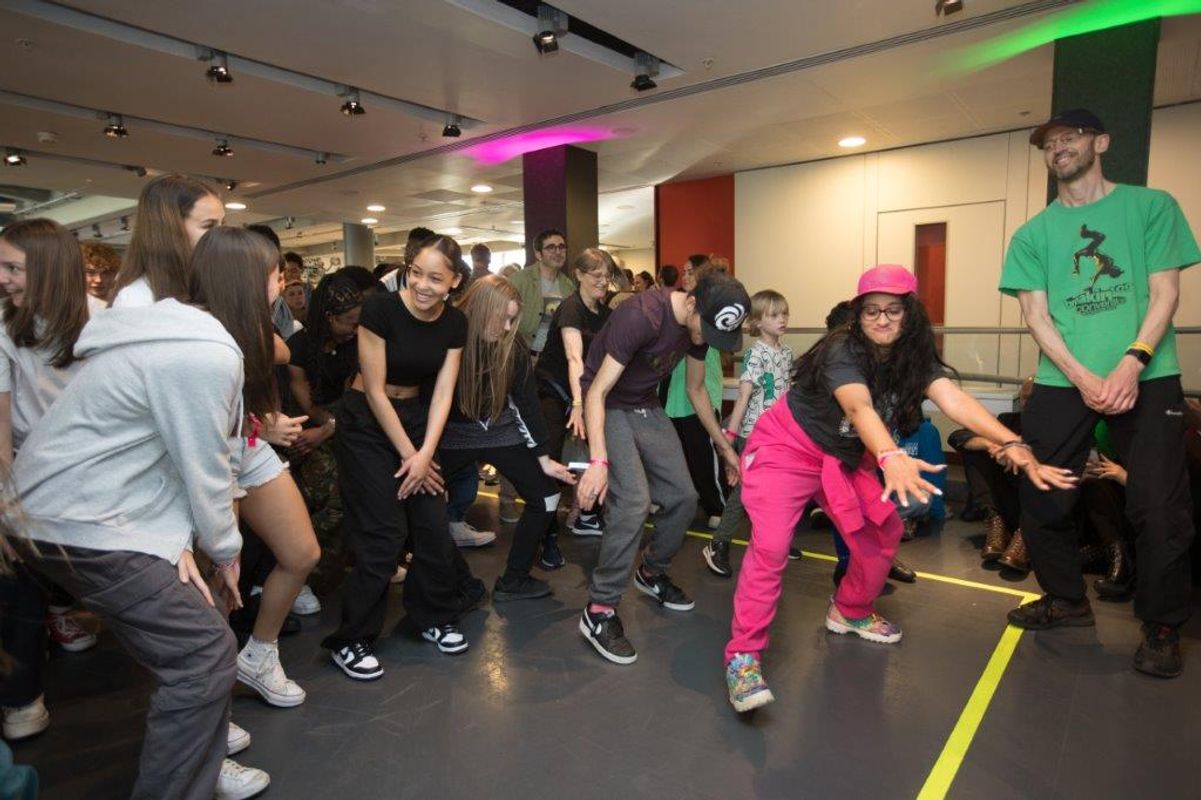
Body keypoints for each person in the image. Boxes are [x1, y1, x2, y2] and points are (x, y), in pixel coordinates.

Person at [724, 264, 1075, 712]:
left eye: (893, 310)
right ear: (858, 315)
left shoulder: (914, 356)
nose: (882, 319)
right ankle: (743, 656)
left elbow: (954, 400)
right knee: (771, 546)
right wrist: (890, 456)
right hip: (787, 449)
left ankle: (849, 609)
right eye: (872, 311)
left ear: (910, 313)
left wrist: (1012, 442)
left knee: (884, 529)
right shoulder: (842, 349)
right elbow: (858, 404)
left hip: (844, 456)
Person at [10, 225, 282, 800]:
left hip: (67, 513)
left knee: (190, 649)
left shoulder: (174, 333)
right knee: (204, 654)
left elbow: (153, 452)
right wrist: (226, 552)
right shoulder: (201, 352)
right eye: (276, 273)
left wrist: (176, 539)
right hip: (77, 521)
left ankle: (200, 761)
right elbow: (203, 464)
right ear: (252, 284)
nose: (282, 285)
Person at [1000, 108, 1201, 678]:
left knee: (1159, 507)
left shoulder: (1151, 206)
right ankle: (1065, 599)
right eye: (1049, 143)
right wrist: (1085, 377)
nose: (1058, 148)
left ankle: (1161, 625)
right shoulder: (1033, 234)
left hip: (1147, 373)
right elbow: (1036, 316)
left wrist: (1131, 363)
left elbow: (1165, 295)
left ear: (1101, 142)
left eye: (1070, 137)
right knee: (1041, 494)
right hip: (1067, 380)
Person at [322, 235, 485, 678]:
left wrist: (425, 453)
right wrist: (412, 454)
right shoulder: (381, 309)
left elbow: (444, 393)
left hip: (415, 421)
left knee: (433, 524)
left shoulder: (455, 323)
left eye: (435, 278)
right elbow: (374, 390)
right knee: (384, 533)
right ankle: (351, 638)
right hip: (367, 423)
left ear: (454, 282)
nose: (423, 285)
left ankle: (432, 617)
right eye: (416, 273)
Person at [575, 271, 751, 664]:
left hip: (644, 406)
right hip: (609, 404)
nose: (704, 339)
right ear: (691, 303)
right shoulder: (642, 316)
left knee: (684, 497)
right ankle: (599, 610)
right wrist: (599, 461)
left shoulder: (698, 329)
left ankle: (651, 572)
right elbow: (598, 391)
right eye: (705, 329)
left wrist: (725, 448)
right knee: (634, 502)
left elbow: (695, 388)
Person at [0, 219, 105, 744]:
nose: (3, 278)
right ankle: (22, 695)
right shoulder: (3, 327)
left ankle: (62, 607)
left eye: (13, 267)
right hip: (29, 472)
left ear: (46, 271)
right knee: (14, 561)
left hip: (100, 475)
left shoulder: (107, 323)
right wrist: (7, 506)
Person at [439, 275, 575, 598]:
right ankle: (458, 581)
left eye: (513, 319)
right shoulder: (446, 336)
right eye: (504, 318)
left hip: (500, 431)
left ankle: (514, 580)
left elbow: (527, 404)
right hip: (449, 435)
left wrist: (544, 458)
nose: (507, 327)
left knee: (546, 497)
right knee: (417, 507)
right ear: (482, 309)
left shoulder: (512, 347)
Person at [704, 289, 793, 577]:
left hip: (780, 434)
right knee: (745, 491)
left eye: (784, 314)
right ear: (757, 321)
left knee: (778, 489)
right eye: (774, 315)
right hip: (754, 433)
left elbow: (786, 396)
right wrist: (730, 436)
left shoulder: (786, 353)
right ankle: (718, 543)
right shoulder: (756, 354)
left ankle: (773, 540)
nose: (782, 319)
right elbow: (743, 398)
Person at [286, 274, 362, 593]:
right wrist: (321, 427)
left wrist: (327, 429)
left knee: (355, 494)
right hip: (302, 430)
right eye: (348, 322)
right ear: (329, 317)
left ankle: (328, 565)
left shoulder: (361, 344)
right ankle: (297, 568)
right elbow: (305, 402)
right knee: (330, 498)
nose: (355, 329)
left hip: (350, 425)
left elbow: (360, 398)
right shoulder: (299, 347)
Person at [536, 249, 614, 542]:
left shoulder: (606, 314)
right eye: (597, 275)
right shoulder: (570, 308)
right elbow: (574, 359)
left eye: (607, 276)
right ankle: (545, 525)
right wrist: (579, 404)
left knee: (592, 451)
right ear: (579, 275)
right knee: (552, 453)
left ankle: (585, 514)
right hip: (553, 388)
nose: (604, 281)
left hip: (586, 390)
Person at [664, 255, 729, 528]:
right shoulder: (680, 306)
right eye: (684, 271)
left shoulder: (713, 307)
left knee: (704, 453)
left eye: (690, 271)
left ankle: (718, 506)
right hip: (674, 392)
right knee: (679, 453)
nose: (685, 276)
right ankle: (685, 501)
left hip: (701, 388)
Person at [510, 229, 573, 357]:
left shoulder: (568, 286)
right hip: (521, 353)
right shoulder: (519, 280)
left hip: (553, 356)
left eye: (561, 247)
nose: (558, 252)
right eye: (551, 248)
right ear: (538, 254)